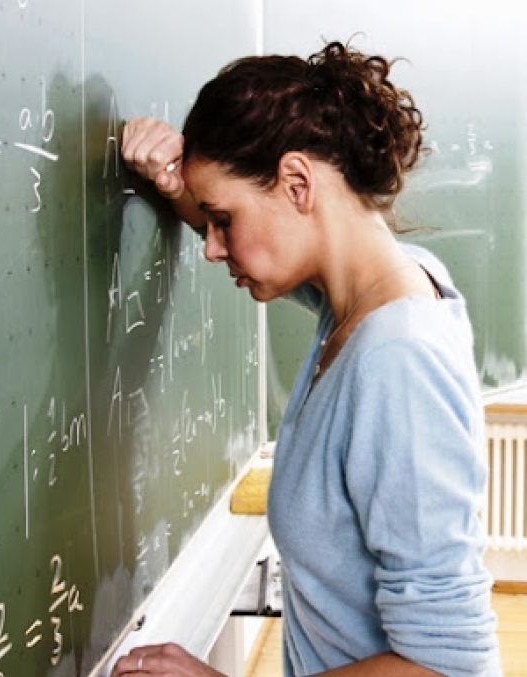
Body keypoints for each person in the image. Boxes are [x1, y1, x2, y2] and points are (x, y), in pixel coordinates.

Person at [114, 41, 501, 676]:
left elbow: (446, 666)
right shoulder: (372, 291)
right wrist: (177, 185)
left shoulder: (397, 360)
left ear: (297, 183)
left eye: (222, 220)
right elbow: (260, 231)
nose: (212, 247)